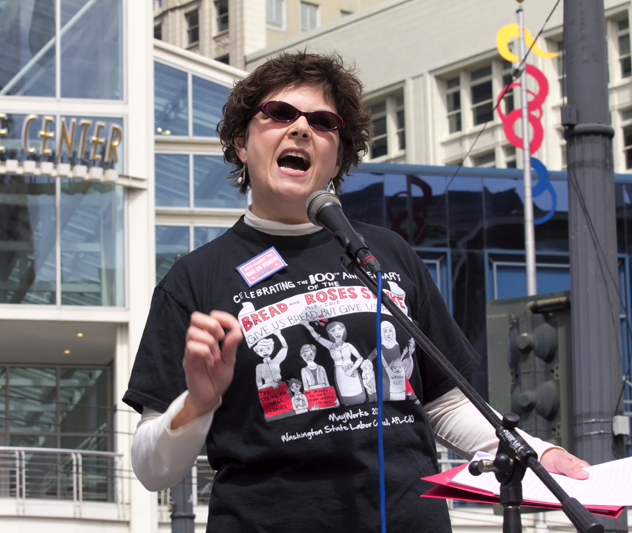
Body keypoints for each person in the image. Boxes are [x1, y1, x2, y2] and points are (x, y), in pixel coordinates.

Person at [124, 52, 589, 532]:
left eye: (322, 122)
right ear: (242, 143)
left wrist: (537, 452)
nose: (301, 129)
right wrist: (196, 405)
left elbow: (445, 403)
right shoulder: (195, 279)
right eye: (279, 114)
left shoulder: (386, 253)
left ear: (338, 157)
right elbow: (151, 470)